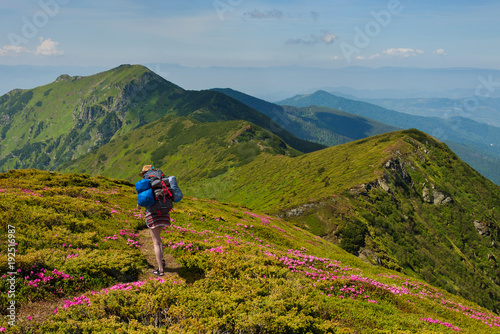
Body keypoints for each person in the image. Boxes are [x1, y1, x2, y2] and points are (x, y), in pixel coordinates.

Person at [137, 165, 171, 276]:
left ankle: (160, 270)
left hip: (153, 214)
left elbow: (142, 200)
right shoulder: (160, 179)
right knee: (159, 239)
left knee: (156, 242)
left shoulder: (146, 182)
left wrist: (138, 206)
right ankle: (162, 260)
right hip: (165, 212)